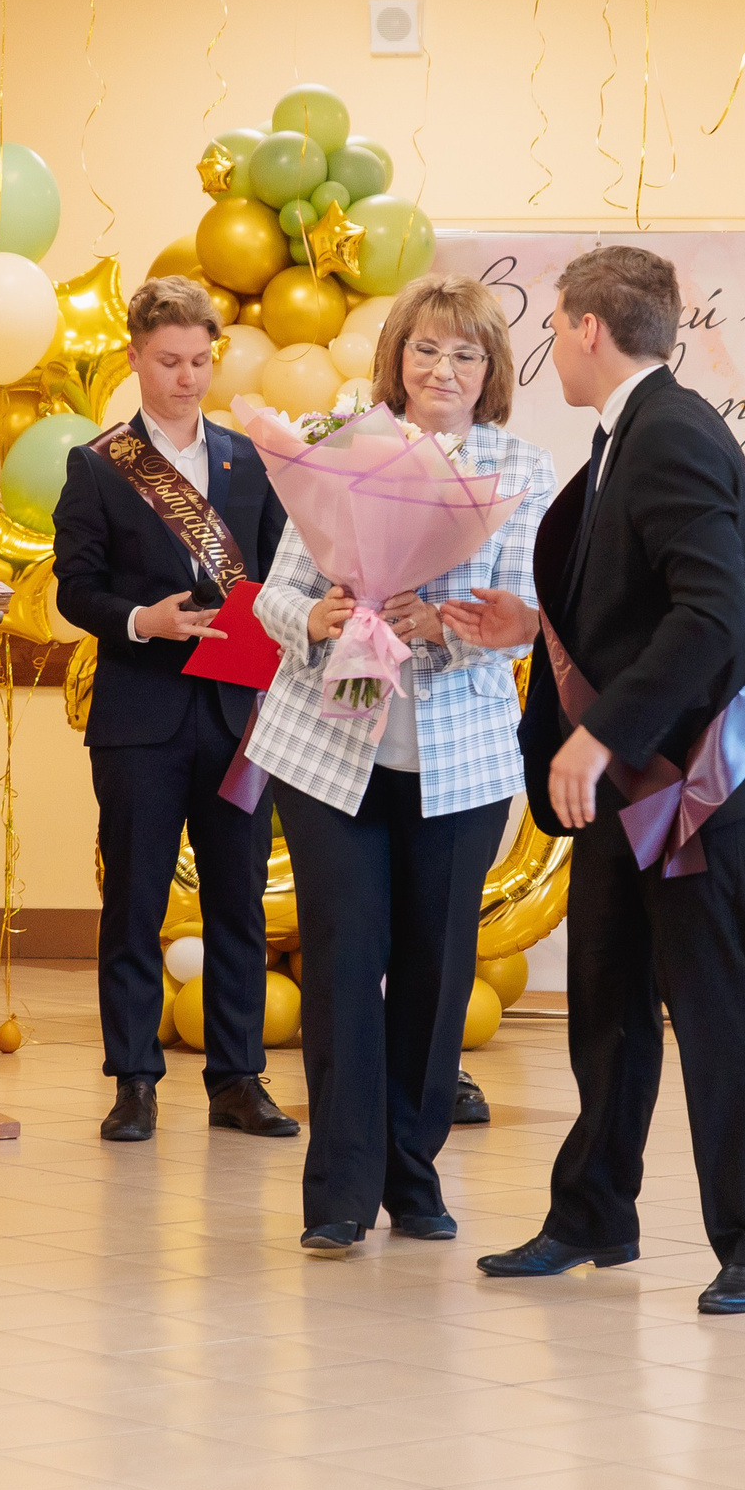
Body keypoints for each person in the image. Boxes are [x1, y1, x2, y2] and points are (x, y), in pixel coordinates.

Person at [444, 245, 745, 1316]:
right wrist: (534, 627)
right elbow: (645, 603)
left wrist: (599, 734)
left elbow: (717, 617)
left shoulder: (671, 435)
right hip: (634, 779)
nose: (550, 344)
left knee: (712, 1009)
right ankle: (592, 1215)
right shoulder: (633, 432)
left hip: (700, 786)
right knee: (606, 1002)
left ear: (589, 328)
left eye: (554, 324)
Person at [248, 276, 553, 1252]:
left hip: (459, 761)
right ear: (397, 358)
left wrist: (444, 628)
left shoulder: (521, 468)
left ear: (490, 371)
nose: (442, 369)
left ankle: (412, 1173)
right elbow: (272, 595)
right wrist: (318, 615)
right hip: (330, 749)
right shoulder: (344, 446)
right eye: (425, 349)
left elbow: (524, 617)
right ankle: (338, 1190)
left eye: (465, 354)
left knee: (436, 970)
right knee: (343, 961)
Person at [53, 276, 297, 1144]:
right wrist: (139, 620)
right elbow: (74, 588)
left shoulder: (249, 461)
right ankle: (133, 1080)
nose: (186, 378)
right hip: (140, 716)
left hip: (237, 716)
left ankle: (237, 1078)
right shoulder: (98, 465)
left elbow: (278, 573)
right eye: (167, 362)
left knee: (238, 901)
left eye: (199, 360)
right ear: (134, 357)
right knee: (135, 902)